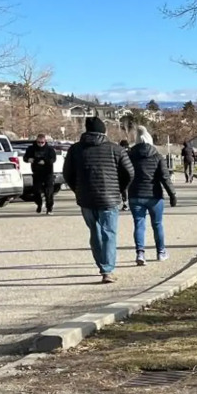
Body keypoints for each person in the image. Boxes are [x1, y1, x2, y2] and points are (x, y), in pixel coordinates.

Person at [63, 116, 133, 283]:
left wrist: (78, 190)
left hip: (86, 198)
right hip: (109, 198)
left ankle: (102, 266)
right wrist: (120, 189)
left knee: (95, 232)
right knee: (109, 233)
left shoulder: (75, 150)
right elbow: (129, 173)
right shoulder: (116, 149)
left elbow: (67, 174)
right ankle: (108, 269)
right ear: (104, 131)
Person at [126, 126, 178, 265]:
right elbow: (165, 177)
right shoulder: (157, 156)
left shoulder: (130, 156)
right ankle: (161, 252)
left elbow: (125, 175)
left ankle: (140, 253)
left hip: (135, 194)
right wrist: (172, 194)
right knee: (157, 224)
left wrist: (123, 193)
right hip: (154, 195)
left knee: (139, 224)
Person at [23, 133, 58, 214]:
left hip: (48, 173)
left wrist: (45, 161)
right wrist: (29, 159)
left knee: (48, 192)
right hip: (37, 173)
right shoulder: (31, 149)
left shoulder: (50, 150)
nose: (40, 144)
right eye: (39, 142)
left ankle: (49, 208)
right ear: (36, 141)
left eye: (42, 142)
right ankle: (39, 204)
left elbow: (53, 159)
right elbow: (25, 157)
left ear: (45, 141)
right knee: (37, 191)